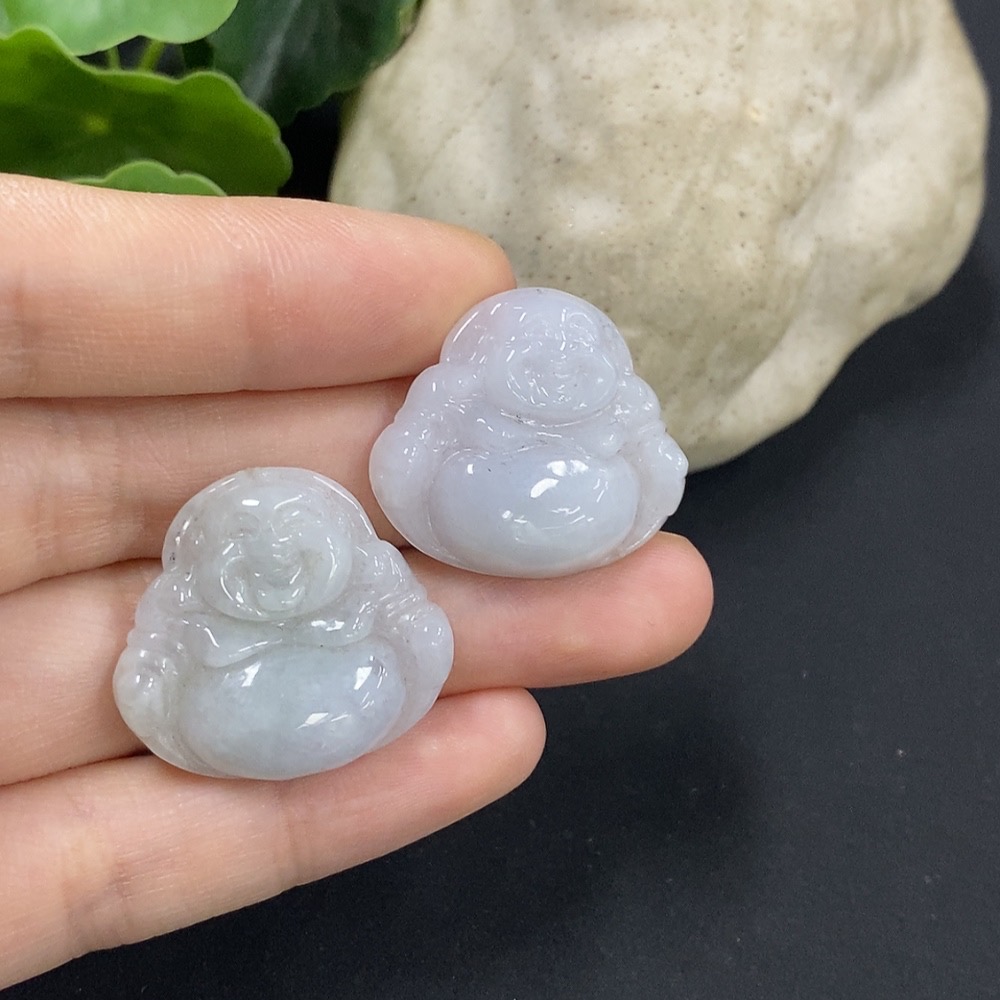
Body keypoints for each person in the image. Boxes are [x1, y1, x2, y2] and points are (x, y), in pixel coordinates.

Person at [0, 173, 713, 987]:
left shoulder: (613, 417)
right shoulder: (196, 605)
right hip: (245, 691)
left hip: (439, 610)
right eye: (531, 358)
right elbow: (157, 660)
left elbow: (649, 463)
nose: (273, 557)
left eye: (575, 358)